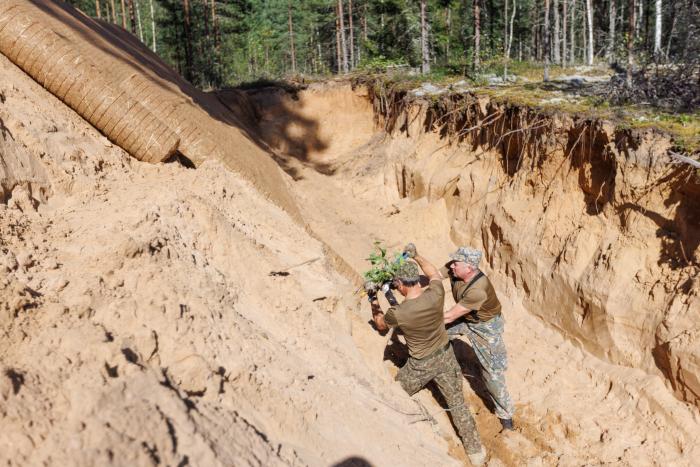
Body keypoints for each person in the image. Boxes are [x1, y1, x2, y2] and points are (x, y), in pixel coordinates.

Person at [368, 244, 487, 466]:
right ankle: (476, 453)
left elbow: (381, 324)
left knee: (394, 393)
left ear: (400, 285)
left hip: (420, 364)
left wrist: (372, 297)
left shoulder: (399, 312)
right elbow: (433, 273)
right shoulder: (436, 293)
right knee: (458, 404)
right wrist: (417, 255)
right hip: (446, 355)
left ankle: (429, 426)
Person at [442, 246, 515, 431]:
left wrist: (416, 319)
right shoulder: (456, 270)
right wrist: (416, 257)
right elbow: (434, 275)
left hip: (485, 327)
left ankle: (506, 416)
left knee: (492, 374)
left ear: (469, 268)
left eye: (456, 263)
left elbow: (449, 317)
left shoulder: (478, 289)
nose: (451, 266)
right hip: (467, 317)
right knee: (435, 333)